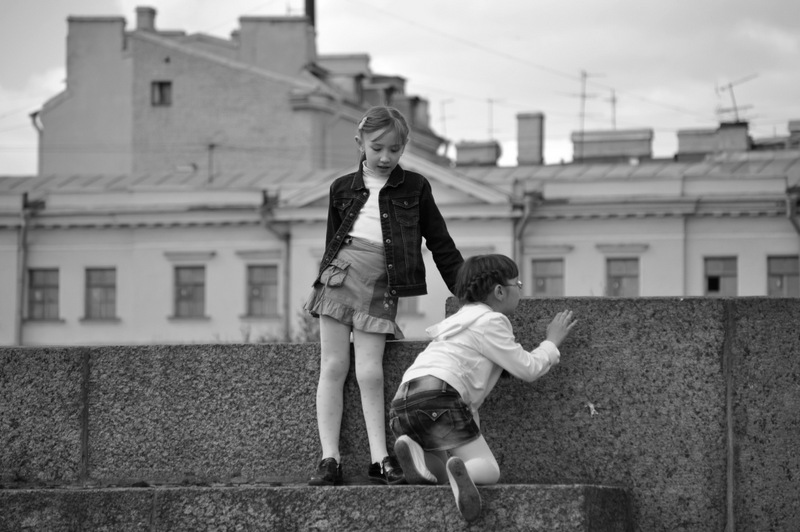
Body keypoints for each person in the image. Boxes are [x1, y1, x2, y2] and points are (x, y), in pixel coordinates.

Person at [304, 106, 464, 486]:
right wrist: (322, 279)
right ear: (360, 142)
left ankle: (380, 458)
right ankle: (329, 459)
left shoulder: (416, 187)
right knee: (333, 366)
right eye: (377, 148)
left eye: (395, 149)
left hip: (381, 283)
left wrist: (466, 289)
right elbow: (332, 242)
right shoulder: (341, 187)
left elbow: (440, 243)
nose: (385, 157)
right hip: (340, 276)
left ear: (404, 146)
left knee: (370, 371)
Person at [389, 254, 577, 521]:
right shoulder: (492, 321)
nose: (521, 290)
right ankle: (464, 476)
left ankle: (413, 448)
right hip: (440, 394)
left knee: (437, 471)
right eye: (517, 284)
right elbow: (528, 368)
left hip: (404, 398)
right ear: (499, 291)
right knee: (488, 469)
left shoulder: (455, 322)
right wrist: (551, 342)